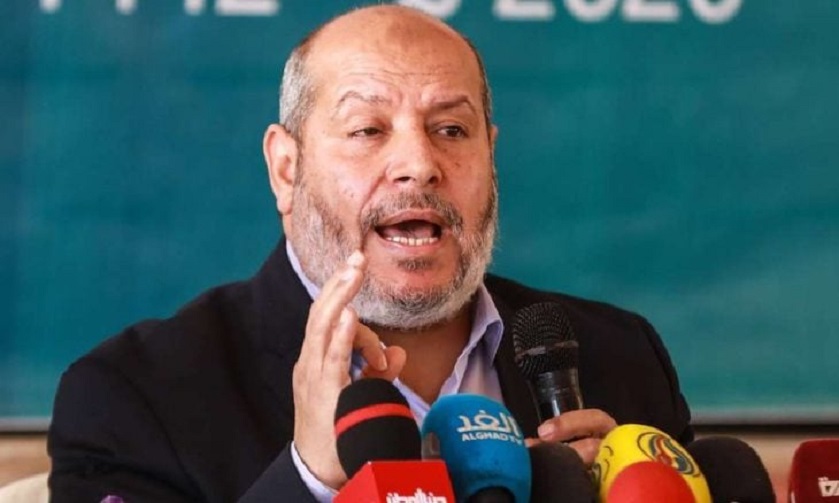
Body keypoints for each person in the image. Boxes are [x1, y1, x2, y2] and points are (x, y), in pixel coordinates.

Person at [47, 4, 692, 502]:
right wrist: (309, 477)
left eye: (451, 130)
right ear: (286, 169)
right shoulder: (134, 396)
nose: (418, 164)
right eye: (367, 130)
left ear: (491, 157)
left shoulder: (622, 358)